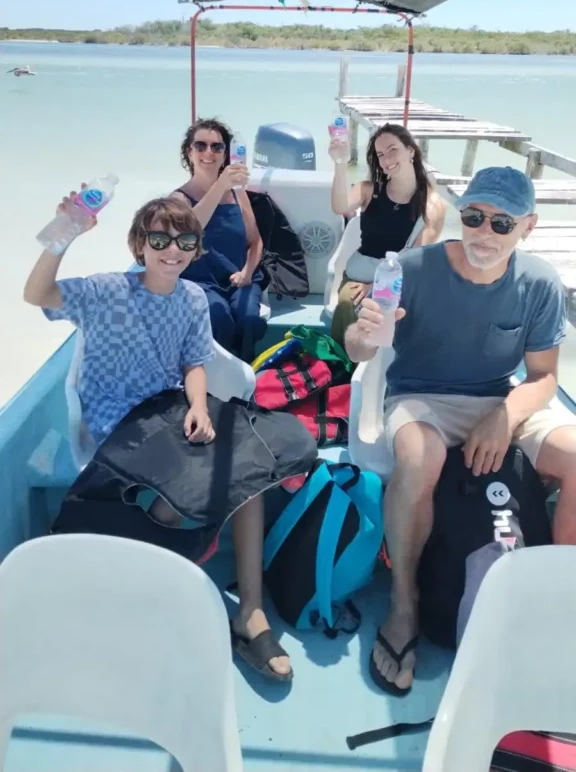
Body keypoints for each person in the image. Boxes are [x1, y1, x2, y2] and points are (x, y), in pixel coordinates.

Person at [24, 192, 293, 682]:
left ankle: (250, 611)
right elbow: (37, 294)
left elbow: (194, 361)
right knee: (182, 493)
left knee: (250, 465)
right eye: (160, 238)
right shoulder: (106, 291)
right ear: (139, 244)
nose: (173, 248)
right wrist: (64, 233)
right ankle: (148, 594)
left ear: (196, 248)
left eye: (185, 239)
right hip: (118, 426)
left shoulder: (192, 298)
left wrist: (197, 405)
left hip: (169, 414)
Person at [345, 166, 576, 696]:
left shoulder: (539, 283)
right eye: (473, 217)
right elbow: (359, 347)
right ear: (460, 215)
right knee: (419, 458)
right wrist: (363, 333)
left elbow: (542, 379)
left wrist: (505, 416)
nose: (483, 233)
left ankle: (562, 588)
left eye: (501, 223)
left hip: (500, 395)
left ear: (529, 226)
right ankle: (405, 605)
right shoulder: (412, 269)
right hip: (422, 395)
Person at [329, 123, 445, 346]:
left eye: (393, 149)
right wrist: (340, 163)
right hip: (358, 276)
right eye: (381, 154)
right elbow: (339, 205)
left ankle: (377, 367)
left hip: (399, 281)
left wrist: (376, 287)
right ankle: (344, 363)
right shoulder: (368, 189)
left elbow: (416, 262)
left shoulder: (431, 204)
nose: (387, 159)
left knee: (389, 313)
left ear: (410, 151)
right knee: (347, 302)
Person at [174, 118, 266, 361]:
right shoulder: (179, 200)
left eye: (217, 147)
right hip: (199, 283)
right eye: (200, 146)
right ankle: (215, 382)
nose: (208, 152)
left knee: (249, 319)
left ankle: (247, 377)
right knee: (218, 317)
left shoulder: (237, 193)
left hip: (239, 279)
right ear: (189, 152)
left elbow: (255, 241)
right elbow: (189, 233)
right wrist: (221, 184)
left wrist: (247, 272)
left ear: (225, 153)